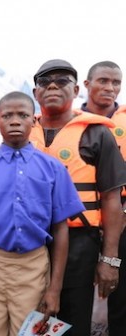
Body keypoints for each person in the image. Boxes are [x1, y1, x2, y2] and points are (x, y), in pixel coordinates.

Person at [0, 91, 84, 335]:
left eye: (22, 115)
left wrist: (54, 289)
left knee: (29, 331)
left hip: (33, 264)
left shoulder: (53, 169)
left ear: (34, 120)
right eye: (7, 115)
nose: (15, 121)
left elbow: (60, 228)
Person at [30, 59, 126, 336]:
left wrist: (110, 260)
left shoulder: (97, 133)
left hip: (79, 243)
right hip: (30, 242)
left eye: (61, 82)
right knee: (31, 320)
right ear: (36, 94)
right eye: (45, 82)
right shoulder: (23, 132)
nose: (52, 87)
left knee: (73, 322)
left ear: (75, 91)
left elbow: (111, 200)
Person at [82, 60, 125, 336]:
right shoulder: (71, 121)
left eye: (116, 83)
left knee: (120, 294)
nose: (110, 88)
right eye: (103, 81)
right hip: (80, 225)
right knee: (74, 295)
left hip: (122, 218)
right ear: (86, 85)